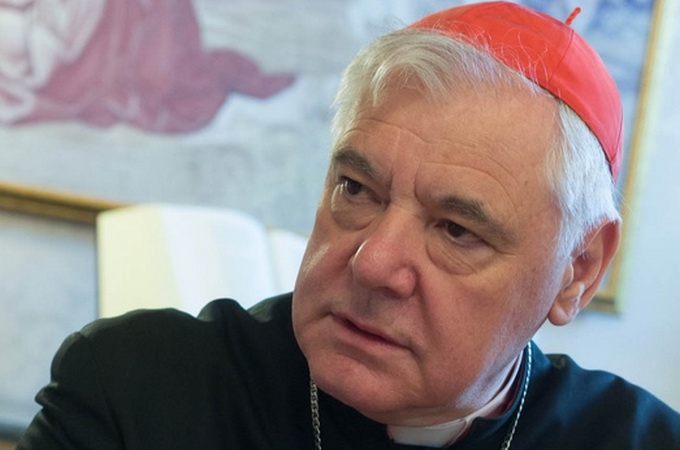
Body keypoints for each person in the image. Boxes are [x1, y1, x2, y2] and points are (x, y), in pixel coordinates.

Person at [17, 2, 680, 449]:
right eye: (357, 190)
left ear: (578, 271)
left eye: (456, 230)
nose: (372, 263)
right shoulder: (133, 391)